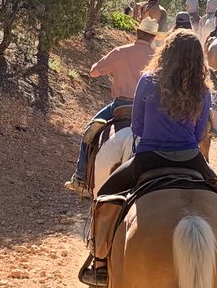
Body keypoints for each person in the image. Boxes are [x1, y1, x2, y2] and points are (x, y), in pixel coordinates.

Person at [79, 30, 217, 286]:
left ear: (166, 52)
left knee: (105, 197)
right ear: (199, 58)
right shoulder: (204, 90)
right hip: (190, 158)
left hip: (149, 158)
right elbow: (200, 133)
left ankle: (99, 263)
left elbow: (138, 127)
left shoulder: (148, 80)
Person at [64, 17, 159, 196]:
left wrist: (111, 71)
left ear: (137, 33)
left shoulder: (120, 52)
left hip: (120, 105)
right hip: (149, 108)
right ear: (153, 37)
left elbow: (93, 71)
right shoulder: (157, 57)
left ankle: (81, 177)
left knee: (90, 130)